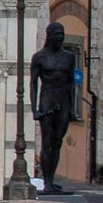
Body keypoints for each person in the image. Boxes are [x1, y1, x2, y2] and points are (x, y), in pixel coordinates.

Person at [30, 18, 79, 193]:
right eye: (57, 35)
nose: (61, 39)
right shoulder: (39, 57)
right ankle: (47, 181)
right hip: (47, 99)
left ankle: (52, 179)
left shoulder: (69, 56)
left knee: (58, 141)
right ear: (50, 37)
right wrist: (34, 108)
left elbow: (72, 84)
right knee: (47, 140)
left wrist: (73, 108)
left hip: (63, 100)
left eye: (62, 36)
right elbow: (34, 83)